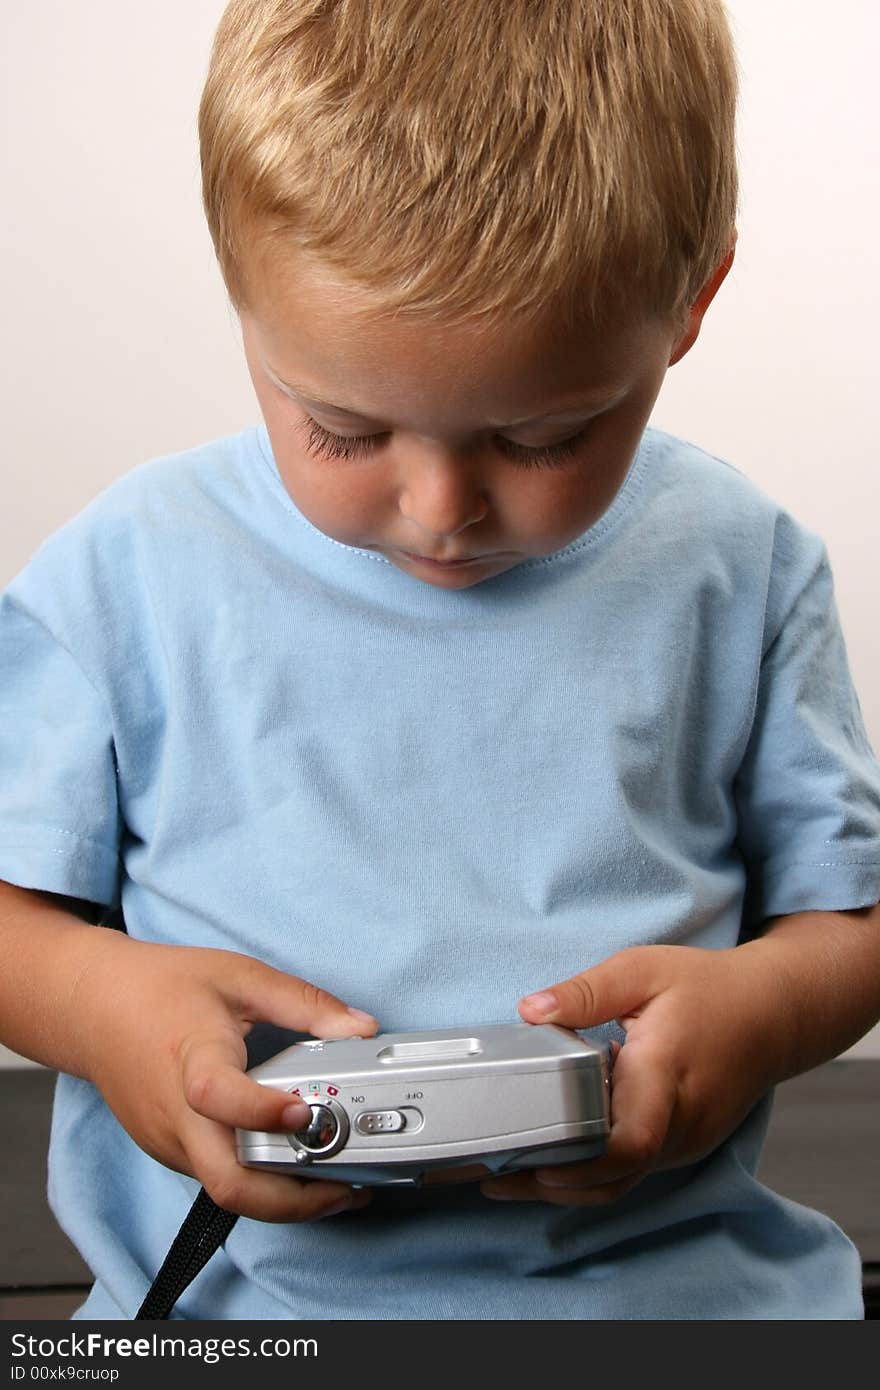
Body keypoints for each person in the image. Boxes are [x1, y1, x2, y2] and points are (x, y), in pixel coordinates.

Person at [1, 0, 878, 1322]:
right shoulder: (124, 573)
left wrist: (756, 1010)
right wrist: (102, 1001)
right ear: (244, 289)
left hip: (679, 1305)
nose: (441, 506)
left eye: (541, 437)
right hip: (232, 1316)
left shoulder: (741, 569)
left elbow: (848, 924)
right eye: (345, 429)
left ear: (690, 305)